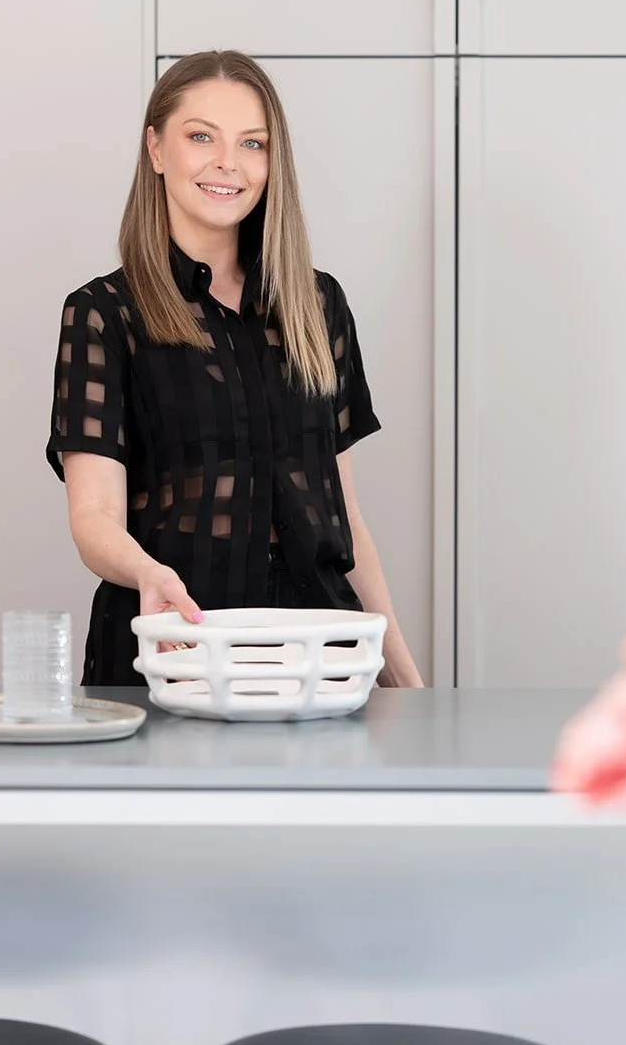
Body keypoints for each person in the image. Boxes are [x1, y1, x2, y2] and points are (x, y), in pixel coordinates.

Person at [46, 50, 424, 688]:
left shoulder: (317, 304)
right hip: (176, 654)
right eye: (201, 137)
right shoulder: (104, 315)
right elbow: (93, 516)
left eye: (253, 143)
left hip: (317, 663)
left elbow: (344, 518)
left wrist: (406, 681)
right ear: (156, 149)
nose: (228, 163)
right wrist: (146, 573)